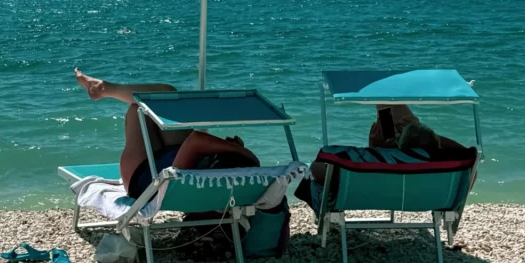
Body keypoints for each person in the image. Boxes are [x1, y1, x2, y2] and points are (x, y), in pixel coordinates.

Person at [75, 69, 260, 199]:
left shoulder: (204, 163)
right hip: (167, 166)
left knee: (148, 102)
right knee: (160, 100)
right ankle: (101, 88)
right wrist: (236, 151)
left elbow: (198, 139)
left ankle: (103, 88)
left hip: (143, 178)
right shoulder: (208, 172)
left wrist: (238, 150)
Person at [297, 104, 471, 211]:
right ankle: (388, 101)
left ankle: (383, 96)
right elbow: (466, 152)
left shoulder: (364, 160)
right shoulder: (457, 166)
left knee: (317, 175)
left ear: (400, 147)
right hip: (426, 199)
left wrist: (375, 149)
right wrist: (433, 138)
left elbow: (316, 169)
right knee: (395, 113)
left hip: (338, 200)